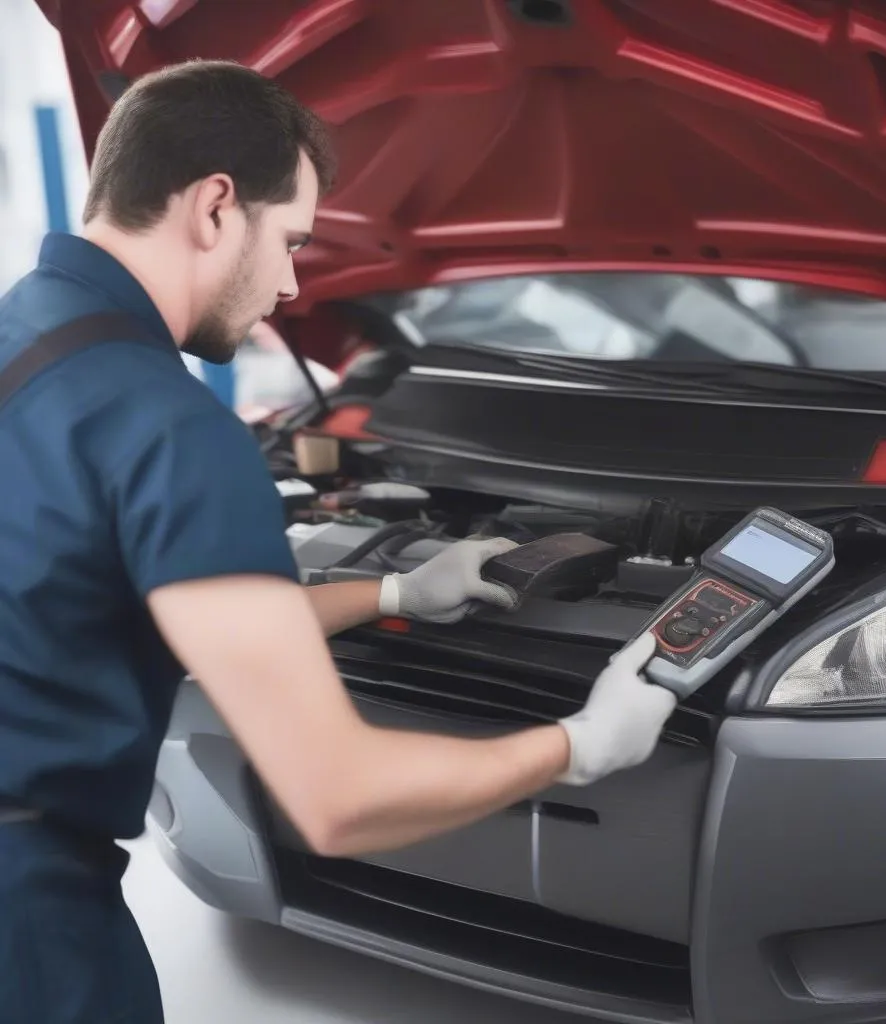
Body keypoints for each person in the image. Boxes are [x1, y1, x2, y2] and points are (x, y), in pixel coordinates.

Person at [0, 60, 676, 1023]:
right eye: (291, 242)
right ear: (216, 207)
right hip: (27, 923)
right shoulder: (168, 427)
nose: (287, 285)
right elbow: (334, 796)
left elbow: (151, 601)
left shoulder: (29, 330)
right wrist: (578, 746)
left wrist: (397, 594)